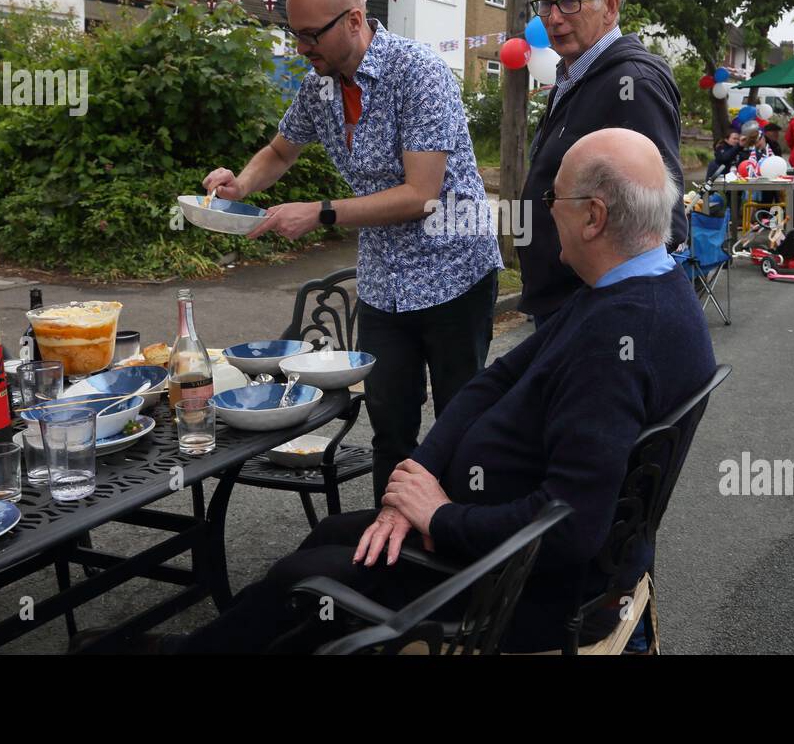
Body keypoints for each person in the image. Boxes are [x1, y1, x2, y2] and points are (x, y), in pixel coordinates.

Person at [147, 129, 718, 655]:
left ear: (593, 217)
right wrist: (416, 477)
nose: (544, 214)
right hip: (506, 549)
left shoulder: (617, 339)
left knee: (304, 584)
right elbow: (495, 379)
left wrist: (441, 517)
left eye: (553, 200)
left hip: (521, 590)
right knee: (331, 536)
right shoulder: (645, 287)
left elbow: (568, 528)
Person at [202, 0, 503, 502]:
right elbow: (280, 150)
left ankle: (462, 542)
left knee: (460, 423)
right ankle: (391, 546)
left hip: (454, 271)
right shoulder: (321, 86)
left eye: (311, 34)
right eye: (294, 33)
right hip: (386, 282)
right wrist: (238, 186)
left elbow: (421, 194)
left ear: (355, 20)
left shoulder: (418, 74)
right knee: (390, 425)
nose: (300, 47)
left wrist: (319, 212)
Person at [517, 0, 685, 326]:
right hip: (562, 305)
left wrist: (603, 309)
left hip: (593, 312)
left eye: (570, 2)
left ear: (610, 4)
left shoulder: (632, 84)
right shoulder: (573, 75)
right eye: (545, 5)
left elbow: (666, 222)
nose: (553, 18)